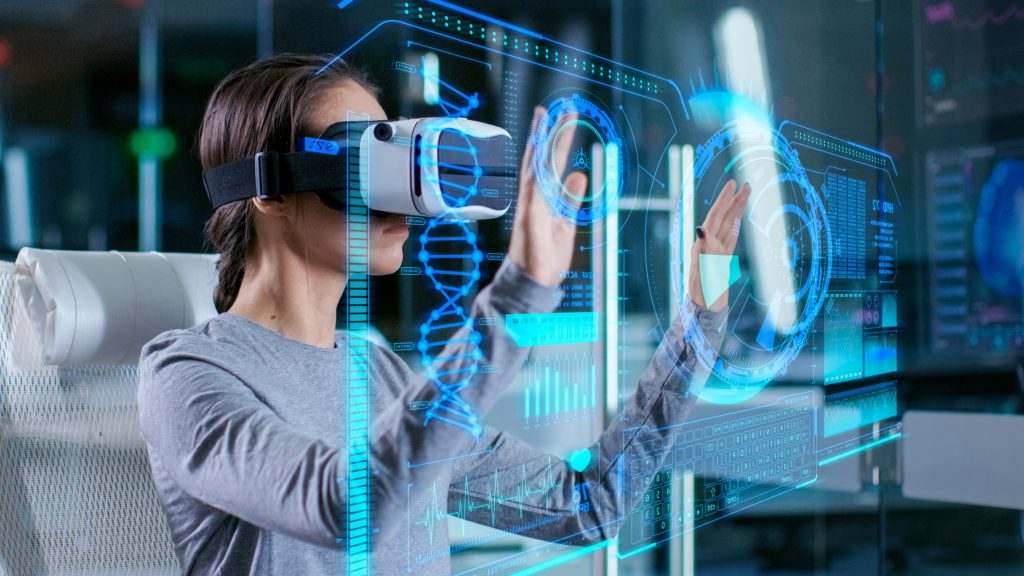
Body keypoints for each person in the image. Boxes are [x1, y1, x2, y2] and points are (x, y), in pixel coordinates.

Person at [136, 53, 750, 576]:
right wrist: (518, 295)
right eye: (368, 161)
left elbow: (587, 505)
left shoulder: (377, 371)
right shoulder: (187, 374)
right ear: (268, 189)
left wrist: (699, 322)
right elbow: (342, 509)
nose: (403, 194)